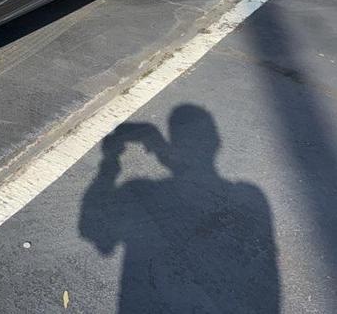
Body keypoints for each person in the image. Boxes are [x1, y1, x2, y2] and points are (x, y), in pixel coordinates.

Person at [80, 105, 280, 313]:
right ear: (217, 144)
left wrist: (109, 163)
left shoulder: (140, 189)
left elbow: (97, 237)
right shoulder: (252, 195)